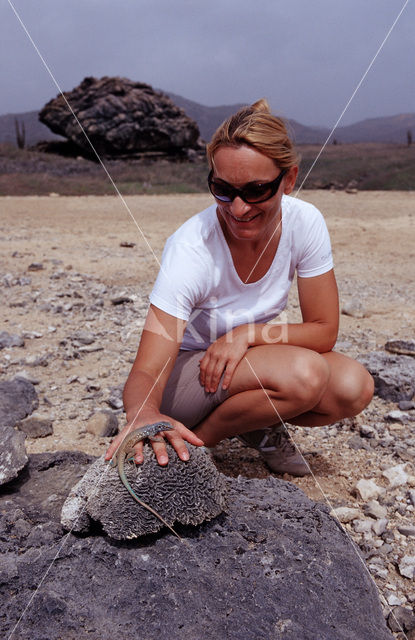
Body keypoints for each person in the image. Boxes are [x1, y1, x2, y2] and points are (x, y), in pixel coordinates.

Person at [105, 99, 374, 477]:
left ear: (290, 179)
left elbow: (324, 330)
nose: (238, 209)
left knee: (353, 386)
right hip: (184, 381)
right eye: (222, 189)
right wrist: (143, 413)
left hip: (241, 363)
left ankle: (213, 435)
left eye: (257, 191)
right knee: (305, 374)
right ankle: (197, 442)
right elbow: (148, 367)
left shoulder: (305, 222)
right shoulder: (191, 249)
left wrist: (245, 334)